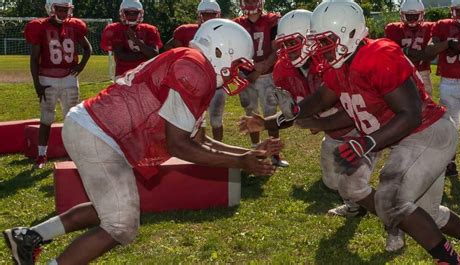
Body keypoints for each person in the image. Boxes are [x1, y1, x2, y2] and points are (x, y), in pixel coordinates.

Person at [3, 19, 281, 265]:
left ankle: (30, 236)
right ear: (221, 51)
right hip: (100, 133)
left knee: (110, 207)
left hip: (98, 130)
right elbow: (179, 146)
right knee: (121, 226)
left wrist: (248, 154)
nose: (236, 74)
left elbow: (199, 139)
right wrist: (240, 162)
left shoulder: (192, 64)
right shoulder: (194, 70)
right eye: (236, 65)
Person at [242, 1, 460, 263]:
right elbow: (318, 101)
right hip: (411, 139)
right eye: (318, 42)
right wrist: (270, 121)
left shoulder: (378, 55)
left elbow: (411, 114)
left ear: (349, 32)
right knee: (428, 213)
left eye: (326, 40)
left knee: (390, 199)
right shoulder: (342, 66)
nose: (321, 49)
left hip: (428, 132)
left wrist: (366, 143)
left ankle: (452, 261)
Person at [247, 7, 404, 252]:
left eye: (293, 43)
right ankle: (355, 206)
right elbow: (295, 111)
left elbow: (356, 109)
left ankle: (393, 224)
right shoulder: (283, 69)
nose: (288, 52)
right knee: (333, 182)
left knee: (355, 185)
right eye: (284, 45)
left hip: (365, 129)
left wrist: (320, 123)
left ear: (311, 38)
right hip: (333, 133)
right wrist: (266, 123)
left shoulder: (336, 60)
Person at [25, 0, 91, 169]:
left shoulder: (74, 26)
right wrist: (37, 84)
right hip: (47, 78)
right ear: (51, 8)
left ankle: (72, 153)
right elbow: (34, 58)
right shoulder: (40, 27)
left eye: (65, 10)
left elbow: (87, 48)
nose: (62, 13)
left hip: (69, 78)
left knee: (72, 118)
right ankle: (41, 155)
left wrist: (81, 65)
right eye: (59, 10)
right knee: (46, 117)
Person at [234, 0, 289, 167]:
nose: (249, 3)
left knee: (271, 116)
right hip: (246, 74)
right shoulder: (237, 24)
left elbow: (277, 49)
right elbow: (234, 50)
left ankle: (275, 155)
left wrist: (262, 67)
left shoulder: (272, 21)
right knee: (251, 115)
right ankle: (256, 151)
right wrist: (251, 69)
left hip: (266, 75)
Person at [424, 0, 460, 177]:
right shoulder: (442, 26)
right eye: (458, 11)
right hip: (448, 82)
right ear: (452, 11)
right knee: (449, 126)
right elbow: (429, 51)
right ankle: (450, 163)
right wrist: (447, 43)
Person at [163, 0, 226, 141]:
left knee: (216, 120)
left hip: (217, 82)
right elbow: (170, 48)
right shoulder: (185, 31)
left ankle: (217, 149)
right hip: (194, 83)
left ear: (218, 15)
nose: (209, 18)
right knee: (194, 119)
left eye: (212, 15)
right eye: (206, 15)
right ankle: (197, 146)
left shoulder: (224, 33)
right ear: (199, 15)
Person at [384, 0, 436, 95]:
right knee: (404, 101)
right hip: (402, 72)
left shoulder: (430, 27)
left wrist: (406, 51)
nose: (412, 18)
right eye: (409, 15)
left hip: (422, 71)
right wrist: (421, 55)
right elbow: (393, 55)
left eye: (415, 15)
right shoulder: (393, 29)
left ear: (421, 14)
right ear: (403, 15)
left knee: (425, 101)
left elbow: (430, 55)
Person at [100, 0, 162, 79]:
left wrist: (135, 39)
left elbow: (154, 55)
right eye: (128, 13)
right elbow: (121, 55)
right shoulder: (116, 29)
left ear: (140, 14)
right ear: (122, 13)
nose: (132, 16)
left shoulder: (150, 30)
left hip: (146, 74)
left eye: (135, 13)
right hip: (123, 75)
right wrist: (145, 55)